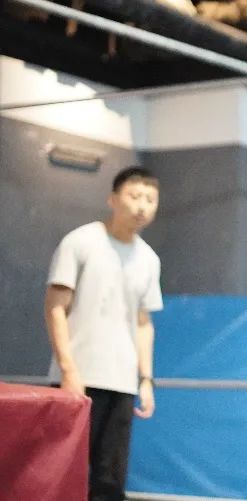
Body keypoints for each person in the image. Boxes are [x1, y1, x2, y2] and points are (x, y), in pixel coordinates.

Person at [44, 166, 163, 501]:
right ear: (113, 199)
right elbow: (54, 307)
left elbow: (143, 322)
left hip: (122, 383)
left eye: (150, 199)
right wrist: (68, 370)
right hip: (77, 380)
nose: (142, 205)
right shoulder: (81, 241)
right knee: (63, 474)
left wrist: (146, 379)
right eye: (134, 196)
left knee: (109, 482)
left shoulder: (149, 259)